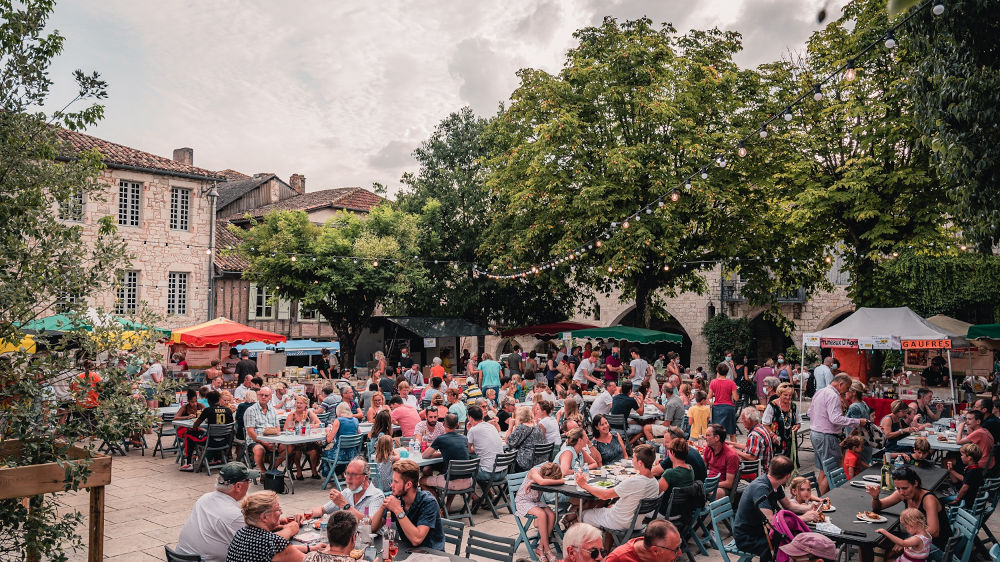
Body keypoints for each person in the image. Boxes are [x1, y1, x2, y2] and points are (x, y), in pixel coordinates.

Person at [734, 456, 819, 561]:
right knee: (793, 545)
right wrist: (803, 518)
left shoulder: (775, 483)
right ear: (788, 476)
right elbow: (772, 523)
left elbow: (788, 505)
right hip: (748, 538)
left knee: (797, 538)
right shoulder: (761, 488)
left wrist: (809, 508)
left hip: (760, 531)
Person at [176, 462, 258, 562]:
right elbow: (254, 543)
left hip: (179, 558)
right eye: (248, 481)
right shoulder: (234, 515)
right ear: (238, 486)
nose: (249, 485)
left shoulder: (204, 498)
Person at [576, 444, 659, 533]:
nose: (632, 460)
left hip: (621, 522)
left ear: (640, 463)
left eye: (633, 458)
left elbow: (604, 495)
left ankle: (592, 542)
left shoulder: (635, 482)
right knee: (610, 506)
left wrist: (584, 485)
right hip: (637, 522)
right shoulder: (655, 483)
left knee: (583, 514)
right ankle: (607, 546)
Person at [867, 465, 951, 553]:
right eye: (898, 488)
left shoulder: (928, 499)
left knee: (890, 553)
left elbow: (934, 531)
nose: (901, 492)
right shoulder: (903, 493)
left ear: (915, 483)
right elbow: (878, 506)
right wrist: (875, 497)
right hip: (916, 538)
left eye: (905, 488)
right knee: (871, 543)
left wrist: (908, 542)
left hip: (937, 546)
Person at [808, 373, 867, 493]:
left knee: (824, 470)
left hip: (816, 433)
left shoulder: (820, 392)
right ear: (841, 384)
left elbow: (810, 412)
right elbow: (835, 419)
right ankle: (823, 501)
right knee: (832, 470)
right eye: (847, 387)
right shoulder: (833, 396)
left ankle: (819, 499)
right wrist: (857, 422)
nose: (847, 390)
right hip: (826, 436)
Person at [372, 459, 445, 551]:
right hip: (408, 552)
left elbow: (416, 539)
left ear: (408, 485)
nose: (391, 485)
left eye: (396, 482)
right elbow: (372, 529)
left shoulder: (428, 502)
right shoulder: (398, 499)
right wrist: (383, 506)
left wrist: (398, 510)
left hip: (431, 554)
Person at [226, 490, 316, 561]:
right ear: (264, 517)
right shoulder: (273, 542)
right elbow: (309, 560)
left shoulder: (240, 533)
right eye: (278, 509)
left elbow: (279, 552)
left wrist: (309, 548)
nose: (281, 512)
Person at [515, 461, 565, 561]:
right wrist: (562, 481)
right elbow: (542, 482)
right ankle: (547, 550)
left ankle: (540, 547)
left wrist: (533, 481)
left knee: (551, 515)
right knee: (542, 514)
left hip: (536, 501)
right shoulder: (534, 471)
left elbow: (542, 481)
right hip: (523, 501)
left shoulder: (543, 475)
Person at [310, 457, 386, 520]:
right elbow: (322, 510)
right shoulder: (346, 492)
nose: (348, 478)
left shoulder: (377, 496)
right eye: (347, 473)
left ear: (365, 478)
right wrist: (305, 516)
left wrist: (345, 505)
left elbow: (370, 525)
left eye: (354, 474)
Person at [420, 414, 471, 506]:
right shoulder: (464, 438)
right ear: (457, 425)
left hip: (452, 482)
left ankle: (439, 505)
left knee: (422, 481)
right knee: (449, 473)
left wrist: (435, 455)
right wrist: (442, 453)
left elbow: (425, 455)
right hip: (469, 481)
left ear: (443, 424)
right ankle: (447, 506)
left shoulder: (441, 439)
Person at [244, 387, 286, 473]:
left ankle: (272, 469)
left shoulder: (273, 410)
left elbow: (277, 428)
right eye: (261, 395)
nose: (263, 397)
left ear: (270, 397)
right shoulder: (251, 410)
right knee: (259, 449)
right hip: (256, 440)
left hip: (273, 440)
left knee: (288, 447)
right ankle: (263, 471)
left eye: (266, 395)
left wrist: (276, 442)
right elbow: (250, 432)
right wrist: (264, 443)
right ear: (258, 396)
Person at [281, 395, 322, 480]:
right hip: (296, 442)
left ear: (305, 405)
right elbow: (285, 428)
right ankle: (299, 471)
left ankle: (314, 470)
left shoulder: (309, 413)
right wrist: (292, 429)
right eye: (297, 403)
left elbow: (320, 424)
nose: (298, 405)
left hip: (307, 441)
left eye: (301, 403)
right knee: (296, 452)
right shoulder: (292, 415)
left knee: (314, 451)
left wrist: (312, 426)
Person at [605, 519, 682, 562]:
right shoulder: (618, 559)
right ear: (655, 551)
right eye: (676, 549)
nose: (679, 552)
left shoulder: (664, 554)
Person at [763, 383, 802, 462]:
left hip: (790, 441)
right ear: (779, 394)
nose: (788, 397)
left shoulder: (793, 406)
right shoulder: (772, 405)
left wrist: (797, 426)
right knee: (778, 466)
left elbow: (798, 421)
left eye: (790, 395)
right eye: (785, 395)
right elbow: (765, 424)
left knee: (789, 464)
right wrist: (772, 434)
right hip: (776, 441)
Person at [466, 404, 506, 482]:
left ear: (470, 417)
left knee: (466, 471)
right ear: (482, 416)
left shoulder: (473, 430)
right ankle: (488, 493)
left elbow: (468, 450)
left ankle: (482, 494)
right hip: (503, 471)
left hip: (489, 474)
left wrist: (469, 431)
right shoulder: (491, 426)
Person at [703, 424, 739, 499]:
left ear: (717, 438)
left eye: (708, 435)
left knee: (714, 494)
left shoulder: (731, 455)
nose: (705, 438)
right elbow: (702, 469)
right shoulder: (708, 448)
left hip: (723, 486)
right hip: (710, 482)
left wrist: (710, 485)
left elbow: (729, 483)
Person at [505, 405, 544, 472]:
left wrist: (510, 427)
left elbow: (509, 442)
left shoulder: (522, 427)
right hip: (539, 461)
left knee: (506, 456)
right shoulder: (537, 426)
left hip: (525, 462)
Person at [845, 381, 875, 465]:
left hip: (857, 445)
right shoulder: (863, 403)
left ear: (854, 392)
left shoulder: (854, 406)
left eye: (848, 389)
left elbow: (856, 427)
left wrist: (845, 441)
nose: (845, 392)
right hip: (864, 442)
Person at [944, 443, 984, 507]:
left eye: (962, 455)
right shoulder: (975, 468)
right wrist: (951, 471)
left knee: (941, 499)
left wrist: (956, 500)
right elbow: (964, 479)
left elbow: (964, 488)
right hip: (970, 496)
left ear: (969, 458)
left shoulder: (972, 472)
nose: (961, 457)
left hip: (966, 500)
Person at [708, 362, 738, 440]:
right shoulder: (731, 383)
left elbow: (709, 396)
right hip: (729, 408)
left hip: (717, 408)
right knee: (732, 433)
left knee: (717, 432)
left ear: (718, 372)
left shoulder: (713, 382)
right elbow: (736, 398)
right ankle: (733, 449)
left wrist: (711, 403)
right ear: (727, 372)